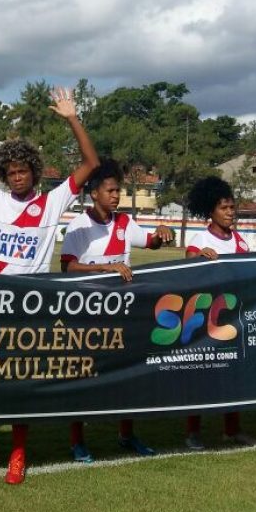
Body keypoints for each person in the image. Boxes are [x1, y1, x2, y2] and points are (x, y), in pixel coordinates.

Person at [0, 86, 99, 485]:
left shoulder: (53, 201)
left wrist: (71, 118)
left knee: (18, 383)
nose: (16, 177)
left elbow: (91, 161)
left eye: (23, 171)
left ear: (34, 171)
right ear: (3, 174)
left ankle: (17, 452)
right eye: (10, 172)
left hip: (30, 308)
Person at [60, 158, 173, 459]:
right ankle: (77, 440)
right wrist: (107, 269)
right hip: (86, 313)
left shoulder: (124, 222)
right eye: (110, 190)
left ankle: (126, 434)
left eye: (117, 190)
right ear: (94, 193)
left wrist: (161, 233)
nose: (115, 195)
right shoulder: (79, 225)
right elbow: (67, 267)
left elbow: (150, 243)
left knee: (127, 376)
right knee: (82, 379)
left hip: (121, 313)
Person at [181, 176, 256, 450]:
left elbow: (251, 273)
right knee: (201, 376)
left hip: (232, 319)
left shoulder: (240, 241)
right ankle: (193, 432)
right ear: (211, 211)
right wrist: (199, 257)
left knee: (233, 376)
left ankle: (231, 430)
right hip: (203, 319)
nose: (230, 213)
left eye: (232, 208)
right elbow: (186, 270)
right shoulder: (200, 238)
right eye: (224, 208)